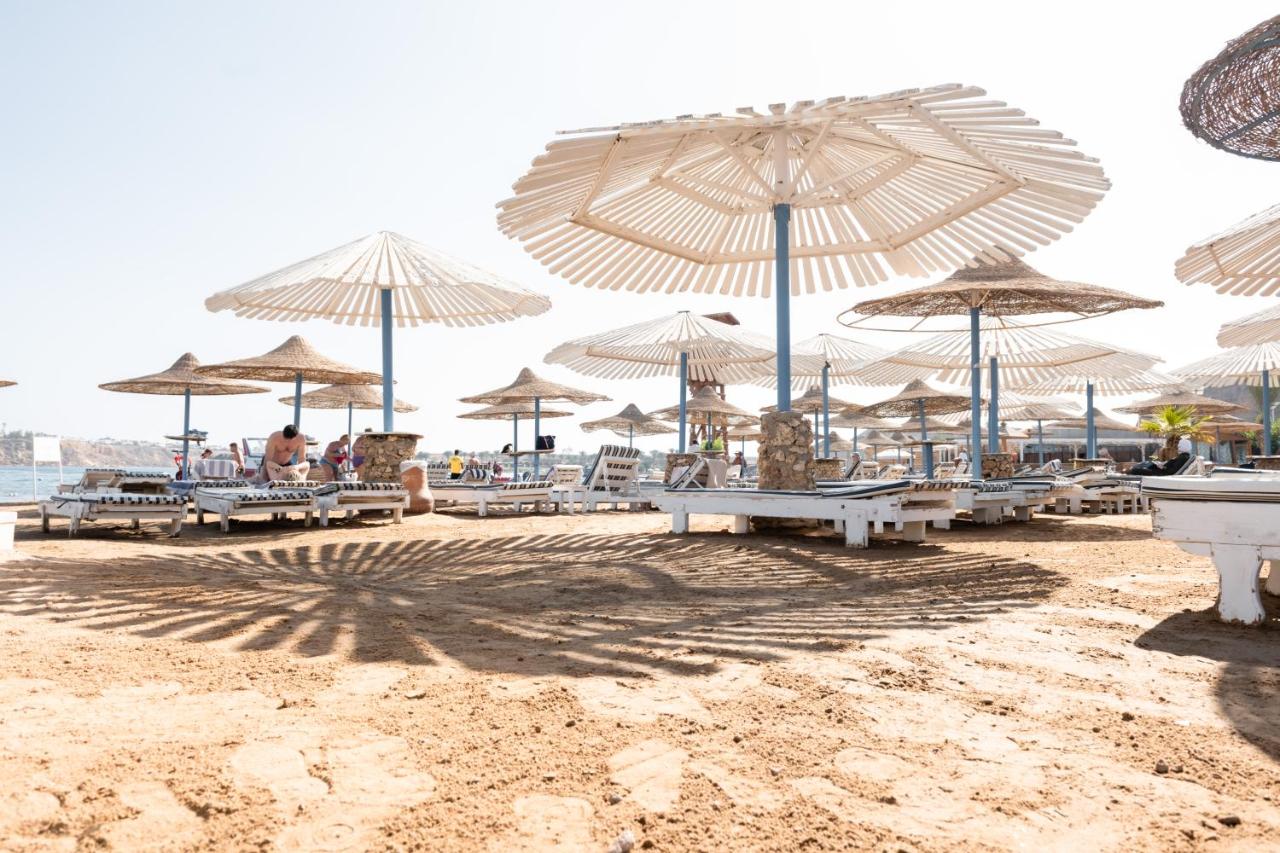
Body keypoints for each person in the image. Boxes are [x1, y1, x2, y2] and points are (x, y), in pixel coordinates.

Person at [1127, 436, 1192, 477]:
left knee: (1136, 470)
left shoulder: (1182, 457)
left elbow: (1171, 471)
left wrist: (1162, 467)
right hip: (1161, 469)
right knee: (1145, 465)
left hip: (1162, 473)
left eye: (1178, 444)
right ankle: (1130, 470)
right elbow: (1154, 458)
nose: (1177, 446)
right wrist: (1161, 464)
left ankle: (1129, 471)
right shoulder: (1183, 456)